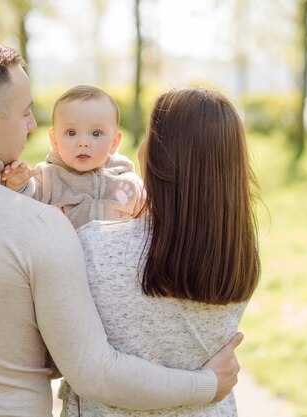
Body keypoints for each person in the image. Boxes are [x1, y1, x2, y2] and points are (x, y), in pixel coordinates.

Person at [0, 40, 243, 417]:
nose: (31, 125)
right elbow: (91, 369)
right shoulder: (39, 225)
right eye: (25, 112)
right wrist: (206, 385)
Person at [60, 87, 261, 417]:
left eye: (149, 135)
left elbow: (74, 364)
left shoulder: (95, 246)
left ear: (158, 154)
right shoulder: (240, 249)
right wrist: (206, 383)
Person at [1, 85, 143, 229]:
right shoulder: (48, 179)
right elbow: (25, 207)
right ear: (55, 140)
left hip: (118, 249)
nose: (83, 143)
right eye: (71, 133)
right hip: (70, 250)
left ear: (114, 142)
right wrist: (18, 186)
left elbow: (150, 217)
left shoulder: (126, 179)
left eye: (96, 133)